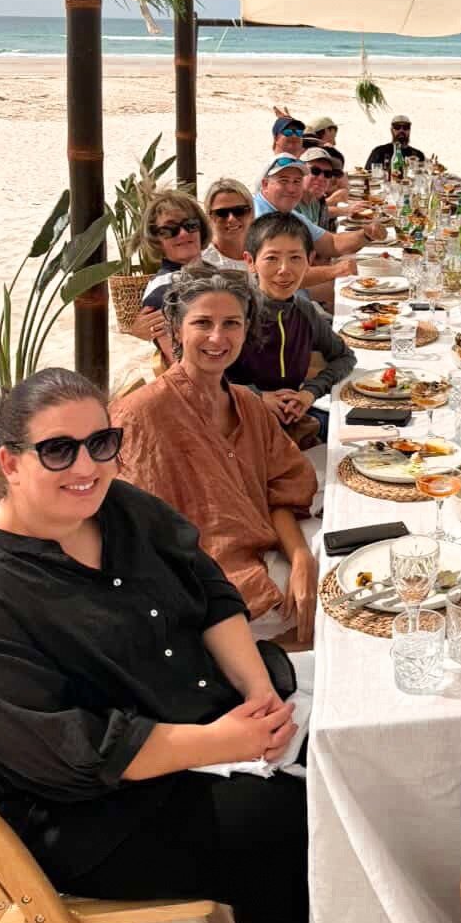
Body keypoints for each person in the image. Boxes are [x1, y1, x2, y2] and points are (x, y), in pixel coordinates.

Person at [0, 368, 340, 923]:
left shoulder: (120, 507)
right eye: (58, 450)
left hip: (201, 718)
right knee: (290, 818)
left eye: (101, 443)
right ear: (11, 464)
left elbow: (208, 591)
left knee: (347, 740)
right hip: (98, 807)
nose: (86, 466)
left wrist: (255, 693)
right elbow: (73, 752)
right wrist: (224, 741)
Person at [112, 266, 320, 645]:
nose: (217, 337)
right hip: (199, 590)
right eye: (202, 323)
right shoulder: (140, 416)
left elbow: (280, 489)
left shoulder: (249, 406)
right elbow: (137, 536)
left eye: (231, 324)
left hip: (264, 553)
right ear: (176, 329)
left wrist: (302, 558)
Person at [229, 213, 355, 441]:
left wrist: (310, 392)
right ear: (250, 262)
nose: (284, 269)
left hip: (292, 419)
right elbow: (202, 381)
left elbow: (345, 357)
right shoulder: (234, 315)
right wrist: (257, 397)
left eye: (295, 258)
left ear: (310, 260)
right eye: (272, 258)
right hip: (239, 428)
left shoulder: (304, 311)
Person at [128, 188, 210, 363]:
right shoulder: (164, 292)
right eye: (169, 229)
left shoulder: (210, 271)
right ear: (156, 240)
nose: (183, 233)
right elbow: (184, 365)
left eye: (191, 225)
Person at [203, 177, 254, 270]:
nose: (231, 219)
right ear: (209, 217)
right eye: (222, 213)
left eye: (239, 211)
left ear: (251, 213)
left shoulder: (267, 253)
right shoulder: (203, 264)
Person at [297, 147, 340, 232]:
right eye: (315, 171)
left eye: (327, 174)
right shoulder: (291, 204)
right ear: (300, 171)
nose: (321, 178)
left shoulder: (315, 202)